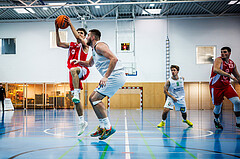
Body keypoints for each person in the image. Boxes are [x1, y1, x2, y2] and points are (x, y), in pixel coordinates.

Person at [72, 29, 126, 140]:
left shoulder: (99, 46)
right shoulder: (94, 50)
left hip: (115, 76)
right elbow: (89, 64)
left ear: (92, 37)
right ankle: (102, 127)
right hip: (113, 76)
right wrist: (79, 62)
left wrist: (105, 76)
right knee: (92, 98)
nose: (86, 38)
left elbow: (114, 59)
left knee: (95, 98)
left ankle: (108, 127)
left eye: (87, 36)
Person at [55, 17, 90, 136]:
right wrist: (56, 29)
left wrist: (70, 24)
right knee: (76, 101)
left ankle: (75, 93)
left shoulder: (85, 45)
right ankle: (81, 121)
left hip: (82, 69)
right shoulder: (71, 45)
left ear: (84, 37)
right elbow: (58, 43)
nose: (79, 35)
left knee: (74, 69)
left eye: (81, 33)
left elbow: (79, 38)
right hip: (72, 73)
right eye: (78, 32)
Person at [210, 46, 240, 129]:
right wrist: (229, 75)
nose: (223, 53)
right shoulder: (218, 60)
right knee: (218, 106)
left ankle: (238, 122)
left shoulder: (232, 63)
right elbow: (216, 70)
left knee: (237, 101)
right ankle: (216, 120)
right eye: (222, 52)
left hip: (226, 85)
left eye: (225, 52)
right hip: (216, 86)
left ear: (229, 53)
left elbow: (237, 75)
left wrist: (238, 79)